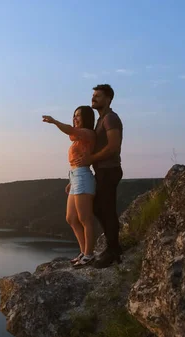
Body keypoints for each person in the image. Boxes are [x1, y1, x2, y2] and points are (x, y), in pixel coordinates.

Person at [73, 84, 124, 269]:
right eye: (93, 95)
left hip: (110, 170)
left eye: (98, 96)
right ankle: (112, 247)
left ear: (108, 99)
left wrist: (91, 158)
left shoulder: (110, 119)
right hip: (101, 171)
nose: (93, 98)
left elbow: (113, 147)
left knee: (106, 210)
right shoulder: (101, 120)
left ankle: (114, 251)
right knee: (99, 208)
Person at [42, 106, 97, 268]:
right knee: (71, 218)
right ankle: (83, 251)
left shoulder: (88, 133)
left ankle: (89, 254)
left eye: (78, 116)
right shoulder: (79, 137)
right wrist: (71, 182)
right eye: (74, 116)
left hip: (83, 176)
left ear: (87, 118)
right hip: (75, 177)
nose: (75, 118)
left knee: (85, 219)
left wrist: (54, 122)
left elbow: (69, 130)